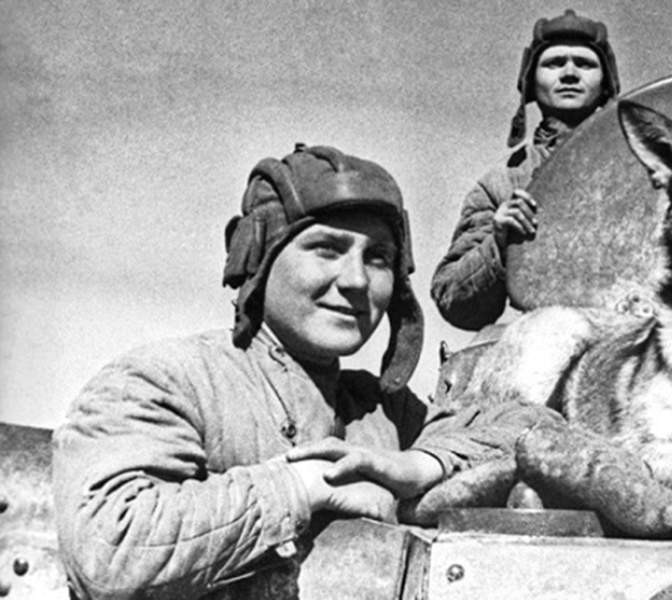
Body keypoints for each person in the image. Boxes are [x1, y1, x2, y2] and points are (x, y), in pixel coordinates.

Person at [52, 145, 548, 599]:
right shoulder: (166, 380)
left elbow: (536, 431)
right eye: (327, 248)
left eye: (378, 258)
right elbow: (107, 552)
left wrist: (421, 464)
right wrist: (306, 485)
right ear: (259, 257)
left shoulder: (385, 412)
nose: (356, 280)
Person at [430, 9, 620, 330]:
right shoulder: (501, 184)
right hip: (544, 334)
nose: (570, 74)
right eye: (554, 63)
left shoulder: (645, 165)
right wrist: (499, 242)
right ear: (532, 81)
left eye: (584, 63)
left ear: (606, 83)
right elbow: (454, 301)